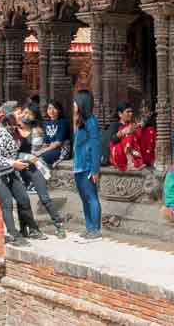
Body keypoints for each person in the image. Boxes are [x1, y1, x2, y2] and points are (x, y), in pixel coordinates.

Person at [0, 114, 44, 246]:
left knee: (23, 198)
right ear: (8, 121)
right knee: (7, 203)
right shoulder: (0, 133)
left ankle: (31, 229)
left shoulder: (15, 133)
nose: (22, 117)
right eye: (18, 116)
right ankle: (15, 236)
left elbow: (14, 154)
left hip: (10, 171)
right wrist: (13, 164)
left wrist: (27, 157)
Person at [16, 103, 67, 239]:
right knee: (22, 200)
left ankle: (59, 226)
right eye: (24, 113)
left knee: (45, 198)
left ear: (34, 116)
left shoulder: (37, 130)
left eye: (29, 114)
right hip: (20, 168)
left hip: (34, 167)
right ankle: (23, 229)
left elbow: (36, 151)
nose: (26, 116)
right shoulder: (15, 131)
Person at [72, 90, 103, 241]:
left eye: (75, 102)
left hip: (87, 166)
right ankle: (89, 227)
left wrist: (95, 169)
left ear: (82, 103)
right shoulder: (80, 122)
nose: (73, 104)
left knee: (91, 198)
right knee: (84, 198)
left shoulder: (91, 121)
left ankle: (96, 230)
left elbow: (96, 146)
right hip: (78, 166)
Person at [108, 102, 157, 171]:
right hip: (120, 155)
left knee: (148, 130)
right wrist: (123, 132)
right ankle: (130, 162)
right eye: (128, 112)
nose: (131, 114)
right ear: (120, 114)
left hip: (134, 150)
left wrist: (140, 126)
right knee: (129, 132)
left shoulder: (132, 124)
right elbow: (112, 140)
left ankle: (148, 159)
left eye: (131, 112)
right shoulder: (115, 125)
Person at [38, 99, 71, 167]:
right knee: (35, 155)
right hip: (51, 148)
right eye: (49, 108)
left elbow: (58, 143)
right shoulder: (46, 123)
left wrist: (43, 151)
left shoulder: (63, 122)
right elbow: (46, 142)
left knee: (43, 156)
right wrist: (40, 150)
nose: (51, 111)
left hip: (62, 149)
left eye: (54, 108)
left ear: (59, 110)